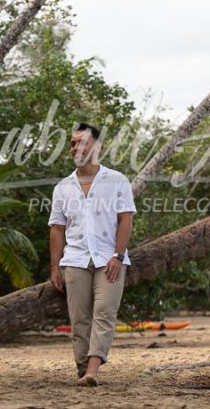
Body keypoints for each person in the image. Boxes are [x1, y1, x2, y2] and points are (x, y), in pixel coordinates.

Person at [48, 122, 136, 387]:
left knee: (105, 312)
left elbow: (125, 220)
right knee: (79, 318)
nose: (76, 147)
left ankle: (93, 371)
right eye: (73, 143)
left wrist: (118, 256)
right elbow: (57, 229)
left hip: (109, 260)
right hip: (75, 260)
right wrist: (55, 268)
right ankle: (82, 370)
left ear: (97, 146)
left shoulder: (117, 180)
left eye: (82, 142)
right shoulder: (63, 187)